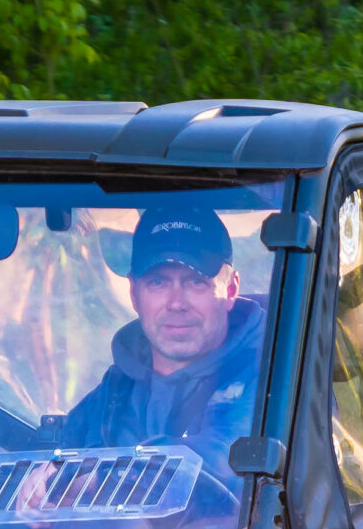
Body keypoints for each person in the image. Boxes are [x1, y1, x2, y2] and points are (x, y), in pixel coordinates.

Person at [59, 203, 265, 477]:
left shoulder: (271, 384)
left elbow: (225, 469)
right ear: (134, 294)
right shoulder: (114, 394)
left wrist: (104, 479)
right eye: (158, 282)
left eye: (195, 281)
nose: (176, 303)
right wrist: (43, 486)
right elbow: (54, 462)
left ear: (230, 290)